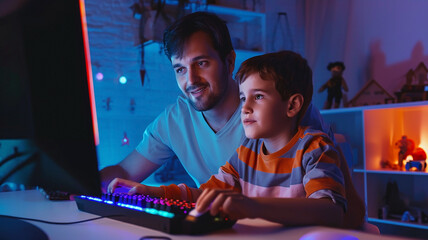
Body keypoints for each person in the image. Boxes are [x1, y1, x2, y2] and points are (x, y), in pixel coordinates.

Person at [108, 51, 366, 229]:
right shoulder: (246, 152)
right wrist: (153, 193)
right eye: (243, 98)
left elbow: (330, 212)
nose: (245, 108)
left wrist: (253, 207)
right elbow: (207, 194)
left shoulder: (315, 148)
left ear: (292, 105)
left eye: (259, 97)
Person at [100, 11, 334, 191]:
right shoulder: (174, 120)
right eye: (180, 69)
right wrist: (77, 184)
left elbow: (336, 194)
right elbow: (125, 172)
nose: (191, 80)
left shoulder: (279, 112)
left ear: (229, 62)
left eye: (202, 63)